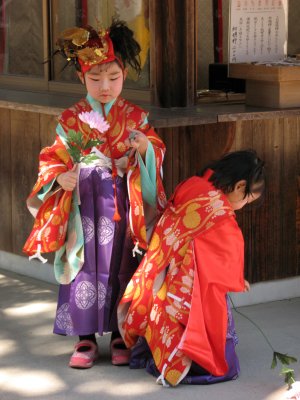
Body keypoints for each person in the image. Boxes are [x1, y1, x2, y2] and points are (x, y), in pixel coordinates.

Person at [23, 20, 166, 369]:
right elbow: (52, 158)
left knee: (122, 265)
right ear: (81, 78)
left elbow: (155, 152)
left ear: (124, 75)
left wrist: (146, 146)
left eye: (113, 78)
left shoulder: (136, 116)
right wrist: (62, 178)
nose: (105, 87)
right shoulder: (71, 119)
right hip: (83, 205)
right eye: (95, 78)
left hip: (122, 206)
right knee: (83, 265)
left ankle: (120, 333)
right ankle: (84, 337)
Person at [118, 149, 265, 386]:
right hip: (190, 280)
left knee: (163, 313)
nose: (245, 204)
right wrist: (235, 279)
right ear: (239, 186)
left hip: (164, 264)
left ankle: (157, 356)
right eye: (248, 199)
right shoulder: (219, 211)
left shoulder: (195, 183)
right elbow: (228, 249)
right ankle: (192, 362)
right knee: (203, 322)